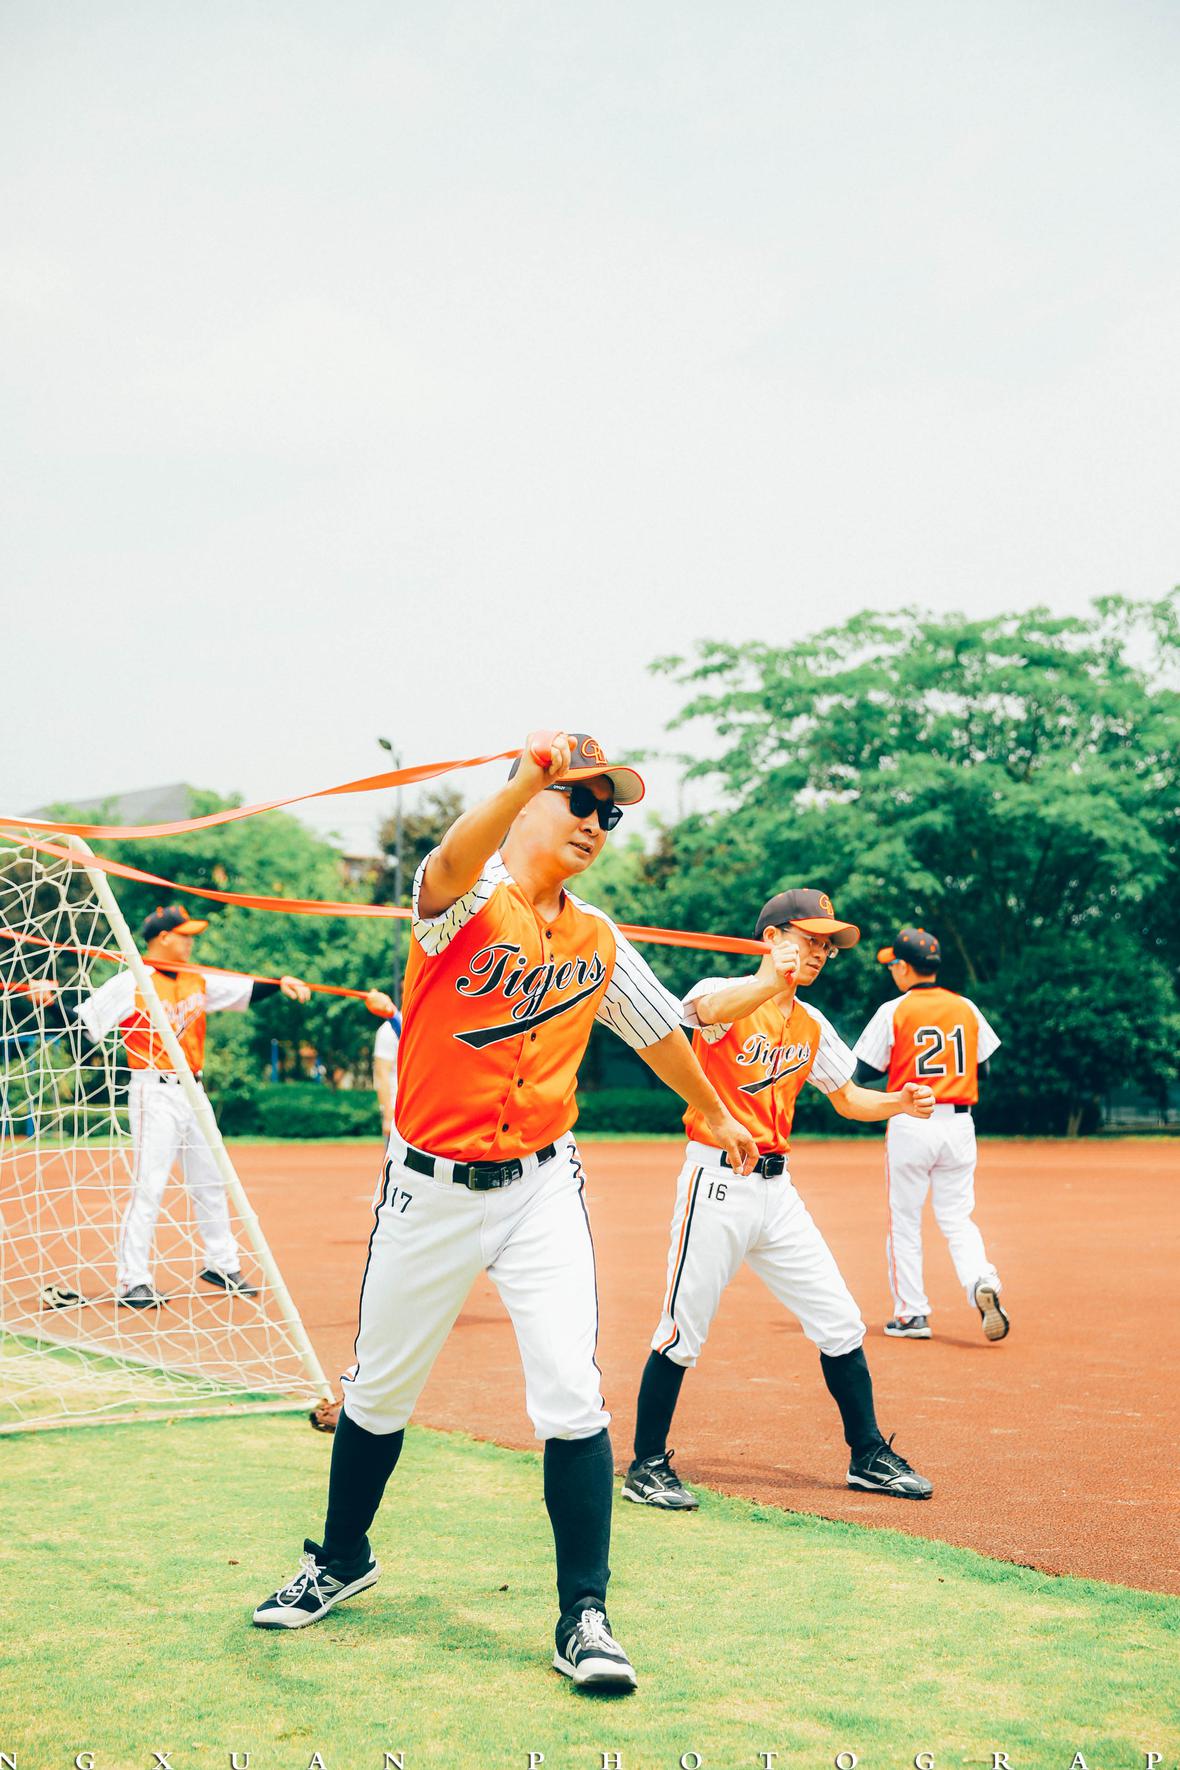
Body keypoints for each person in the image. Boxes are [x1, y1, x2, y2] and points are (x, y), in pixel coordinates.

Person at [251, 731, 758, 1695]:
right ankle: (342, 1558)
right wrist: (526, 777)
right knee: (379, 1391)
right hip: (427, 1190)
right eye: (581, 801)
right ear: (527, 801)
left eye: (611, 813)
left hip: (539, 1187)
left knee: (572, 1392)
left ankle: (585, 1616)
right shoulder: (459, 903)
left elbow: (660, 1032)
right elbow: (448, 862)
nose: (597, 822)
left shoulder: (597, 937)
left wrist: (717, 1111)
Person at [622, 887, 937, 1516]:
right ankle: (646, 1464)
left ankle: (867, 1454)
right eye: (810, 938)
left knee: (840, 1321)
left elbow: (848, 1098)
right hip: (716, 1183)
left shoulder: (811, 1022)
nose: (821, 952)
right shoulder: (726, 991)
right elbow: (700, 1013)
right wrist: (769, 979)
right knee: (681, 1330)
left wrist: (898, 1102)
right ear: (771, 937)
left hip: (777, 1190)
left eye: (828, 945)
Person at [75, 904, 393, 1307]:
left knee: (211, 1178)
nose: (191, 942)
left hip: (194, 1091)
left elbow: (245, 989)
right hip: (153, 1091)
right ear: (163, 938)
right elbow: (84, 1025)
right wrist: (47, 1002)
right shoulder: (130, 982)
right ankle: (132, 1279)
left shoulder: (197, 978)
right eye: (185, 935)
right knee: (149, 1185)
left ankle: (221, 1263)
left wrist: (280, 983)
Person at [852, 926, 1007, 1342]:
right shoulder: (965, 1007)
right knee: (957, 1217)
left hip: (912, 1120)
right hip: (959, 1123)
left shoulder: (894, 1010)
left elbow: (862, 1073)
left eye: (893, 964)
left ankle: (912, 1315)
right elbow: (984, 1069)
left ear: (905, 968)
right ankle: (980, 1279)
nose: (891, 971)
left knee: (904, 1220)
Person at [372, 1000, 402, 1141]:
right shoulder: (388, 1031)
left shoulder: (425, 1027)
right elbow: (382, 1074)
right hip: (397, 1111)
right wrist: (388, 1116)